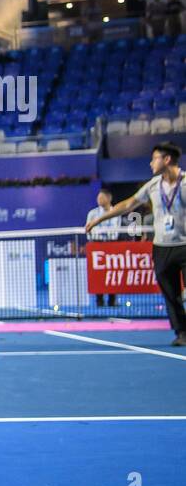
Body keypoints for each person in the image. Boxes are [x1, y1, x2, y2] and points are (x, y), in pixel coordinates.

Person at [86, 142, 186, 345]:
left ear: (166, 160)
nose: (150, 163)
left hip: (185, 246)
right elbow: (128, 204)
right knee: (171, 295)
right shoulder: (153, 186)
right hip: (162, 248)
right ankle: (182, 333)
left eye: (154, 158)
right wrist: (98, 220)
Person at [85, 188, 124, 309]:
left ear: (109, 198)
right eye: (98, 197)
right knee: (98, 274)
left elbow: (116, 231)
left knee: (112, 273)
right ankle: (99, 300)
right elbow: (88, 230)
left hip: (112, 247)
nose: (99, 200)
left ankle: (112, 300)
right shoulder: (92, 213)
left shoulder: (116, 212)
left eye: (102, 197)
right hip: (97, 246)